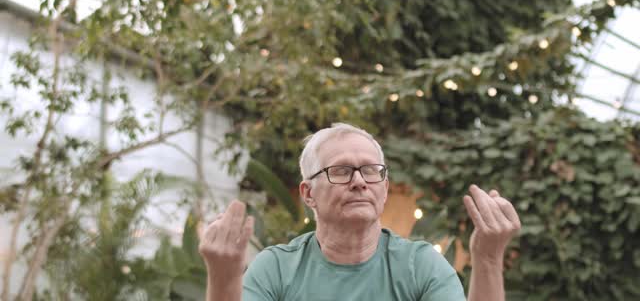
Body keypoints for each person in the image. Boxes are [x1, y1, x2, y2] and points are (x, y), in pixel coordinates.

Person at [199, 123, 521, 300]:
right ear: (308, 193)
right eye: (340, 171)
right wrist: (223, 279)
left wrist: (489, 260)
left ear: (383, 187)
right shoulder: (277, 269)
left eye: (370, 170)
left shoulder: (420, 266)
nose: (358, 182)